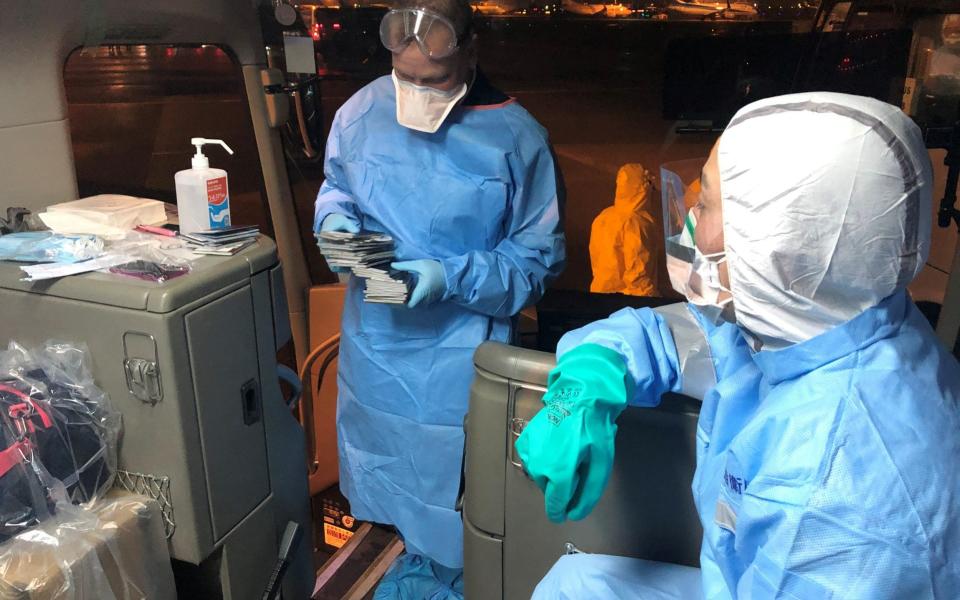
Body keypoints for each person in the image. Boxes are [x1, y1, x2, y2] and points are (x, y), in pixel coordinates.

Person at [516, 92, 960, 598]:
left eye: (704, 203)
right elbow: (686, 334)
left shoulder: (830, 502)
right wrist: (587, 381)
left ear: (780, 245)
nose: (686, 216)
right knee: (573, 584)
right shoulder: (838, 310)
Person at [313, 0, 566, 596]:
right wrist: (335, 225)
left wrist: (450, 276)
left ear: (471, 53)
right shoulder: (361, 112)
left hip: (459, 361)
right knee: (387, 480)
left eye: (434, 80)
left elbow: (535, 262)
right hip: (376, 350)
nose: (416, 92)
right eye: (405, 77)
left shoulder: (516, 138)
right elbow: (336, 187)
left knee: (459, 502)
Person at [589, 163, 663, 297]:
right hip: (629, 303)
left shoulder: (604, 217)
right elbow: (639, 275)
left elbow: (596, 261)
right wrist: (652, 303)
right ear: (644, 188)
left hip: (599, 297)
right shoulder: (636, 223)